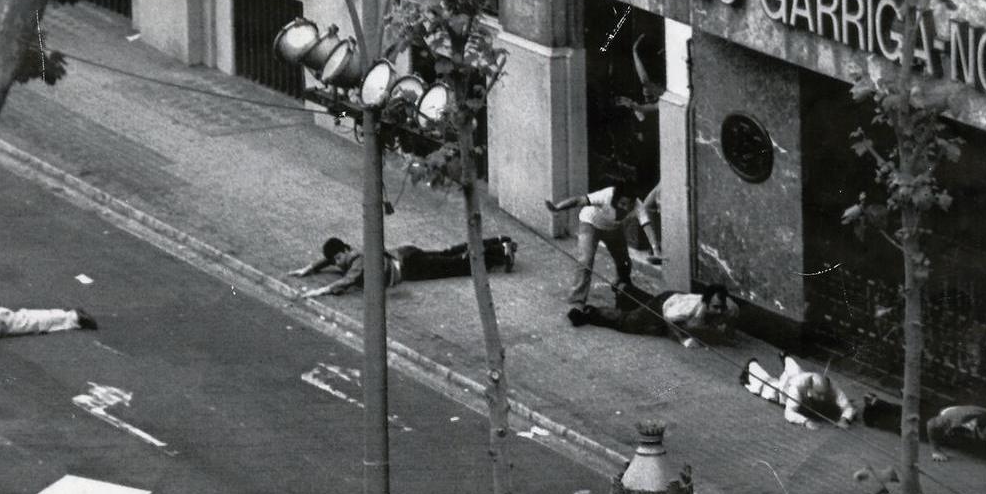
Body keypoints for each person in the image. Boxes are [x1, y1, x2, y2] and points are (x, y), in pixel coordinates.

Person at [291, 235, 518, 298]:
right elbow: (329, 261)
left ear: (343, 253)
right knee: (449, 254)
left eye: (337, 260)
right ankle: (497, 242)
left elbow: (347, 280)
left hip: (410, 267)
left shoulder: (358, 261)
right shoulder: (351, 254)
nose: (336, 266)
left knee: (455, 265)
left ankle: (498, 254)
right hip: (406, 254)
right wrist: (309, 268)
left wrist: (320, 291)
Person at [545, 182, 655, 309]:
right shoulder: (606, 195)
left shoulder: (637, 205)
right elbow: (578, 200)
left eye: (629, 205)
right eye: (622, 204)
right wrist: (558, 207)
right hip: (590, 224)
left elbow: (646, 224)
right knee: (585, 260)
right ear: (615, 199)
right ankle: (577, 299)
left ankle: (623, 288)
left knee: (624, 261)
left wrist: (655, 247)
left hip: (613, 228)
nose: (626, 208)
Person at [567, 282, 737, 348]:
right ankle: (590, 313)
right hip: (664, 307)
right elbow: (669, 318)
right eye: (715, 308)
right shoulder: (689, 309)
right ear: (706, 303)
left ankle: (626, 290)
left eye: (722, 308)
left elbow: (730, 316)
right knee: (629, 323)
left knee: (649, 316)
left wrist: (725, 330)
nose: (719, 311)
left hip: (674, 298)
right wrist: (682, 339)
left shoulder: (728, 307)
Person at [741, 353, 855, 429]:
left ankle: (786, 357)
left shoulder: (832, 387)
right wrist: (805, 421)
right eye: (819, 395)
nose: (823, 398)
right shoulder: (796, 387)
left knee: (796, 370)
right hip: (785, 389)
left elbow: (848, 406)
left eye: (824, 394)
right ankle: (751, 365)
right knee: (766, 386)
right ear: (810, 389)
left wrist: (845, 419)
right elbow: (789, 412)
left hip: (801, 375)